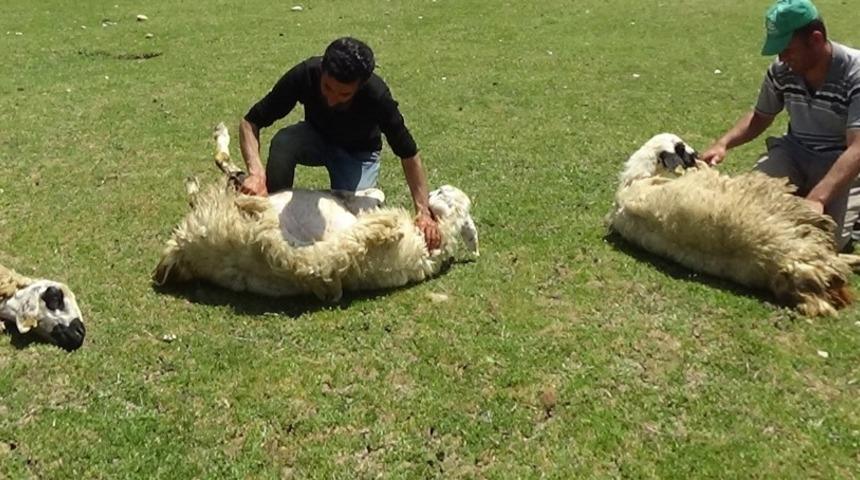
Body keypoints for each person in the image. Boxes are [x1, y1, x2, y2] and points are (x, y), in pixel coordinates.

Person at [239, 37, 441, 250]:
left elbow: (408, 153)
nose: (332, 99)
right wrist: (256, 173)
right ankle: (270, 209)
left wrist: (423, 211)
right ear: (322, 70)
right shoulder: (305, 74)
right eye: (327, 87)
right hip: (316, 138)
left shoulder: (377, 95)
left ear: (360, 86)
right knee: (284, 142)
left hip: (358, 154)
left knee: (354, 221)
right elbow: (250, 122)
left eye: (344, 94)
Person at [701, 0, 860, 252]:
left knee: (825, 242)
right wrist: (723, 143)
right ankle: (804, 194)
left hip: (839, 162)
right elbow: (760, 115)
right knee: (743, 205)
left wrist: (818, 199)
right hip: (794, 152)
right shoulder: (782, 69)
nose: (782, 58)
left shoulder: (856, 74)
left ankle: (836, 201)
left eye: (787, 49)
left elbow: (857, 149)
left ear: (816, 40)